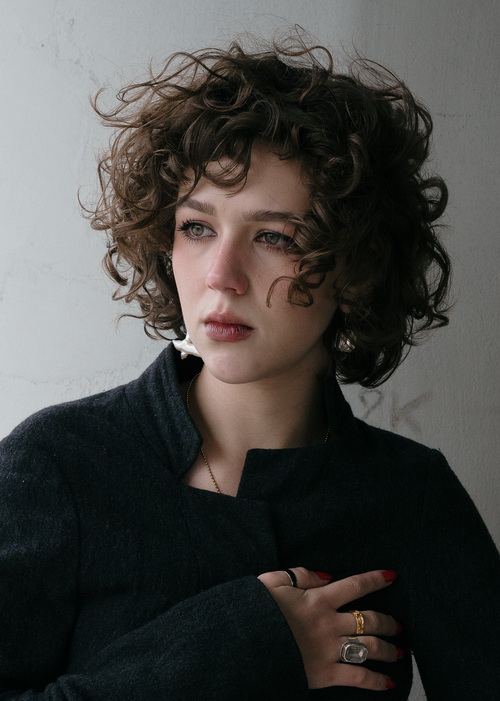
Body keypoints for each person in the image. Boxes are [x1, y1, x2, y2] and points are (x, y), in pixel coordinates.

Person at [0, 34, 499, 700]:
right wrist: (243, 641)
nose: (221, 275)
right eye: (197, 227)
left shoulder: (411, 495)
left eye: (274, 236)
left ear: (355, 269)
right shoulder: (59, 463)